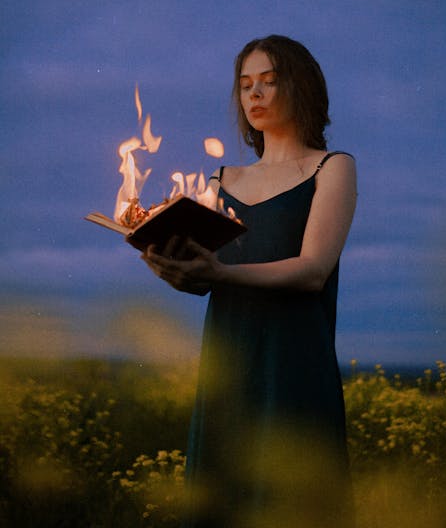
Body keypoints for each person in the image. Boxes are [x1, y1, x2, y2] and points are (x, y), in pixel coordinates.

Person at [142, 35, 357, 527]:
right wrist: (170, 265)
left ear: (300, 87)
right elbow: (203, 278)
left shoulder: (332, 167)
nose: (254, 95)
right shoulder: (220, 181)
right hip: (230, 365)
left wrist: (219, 273)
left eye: (269, 81)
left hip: (295, 365)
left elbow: (313, 269)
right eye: (245, 85)